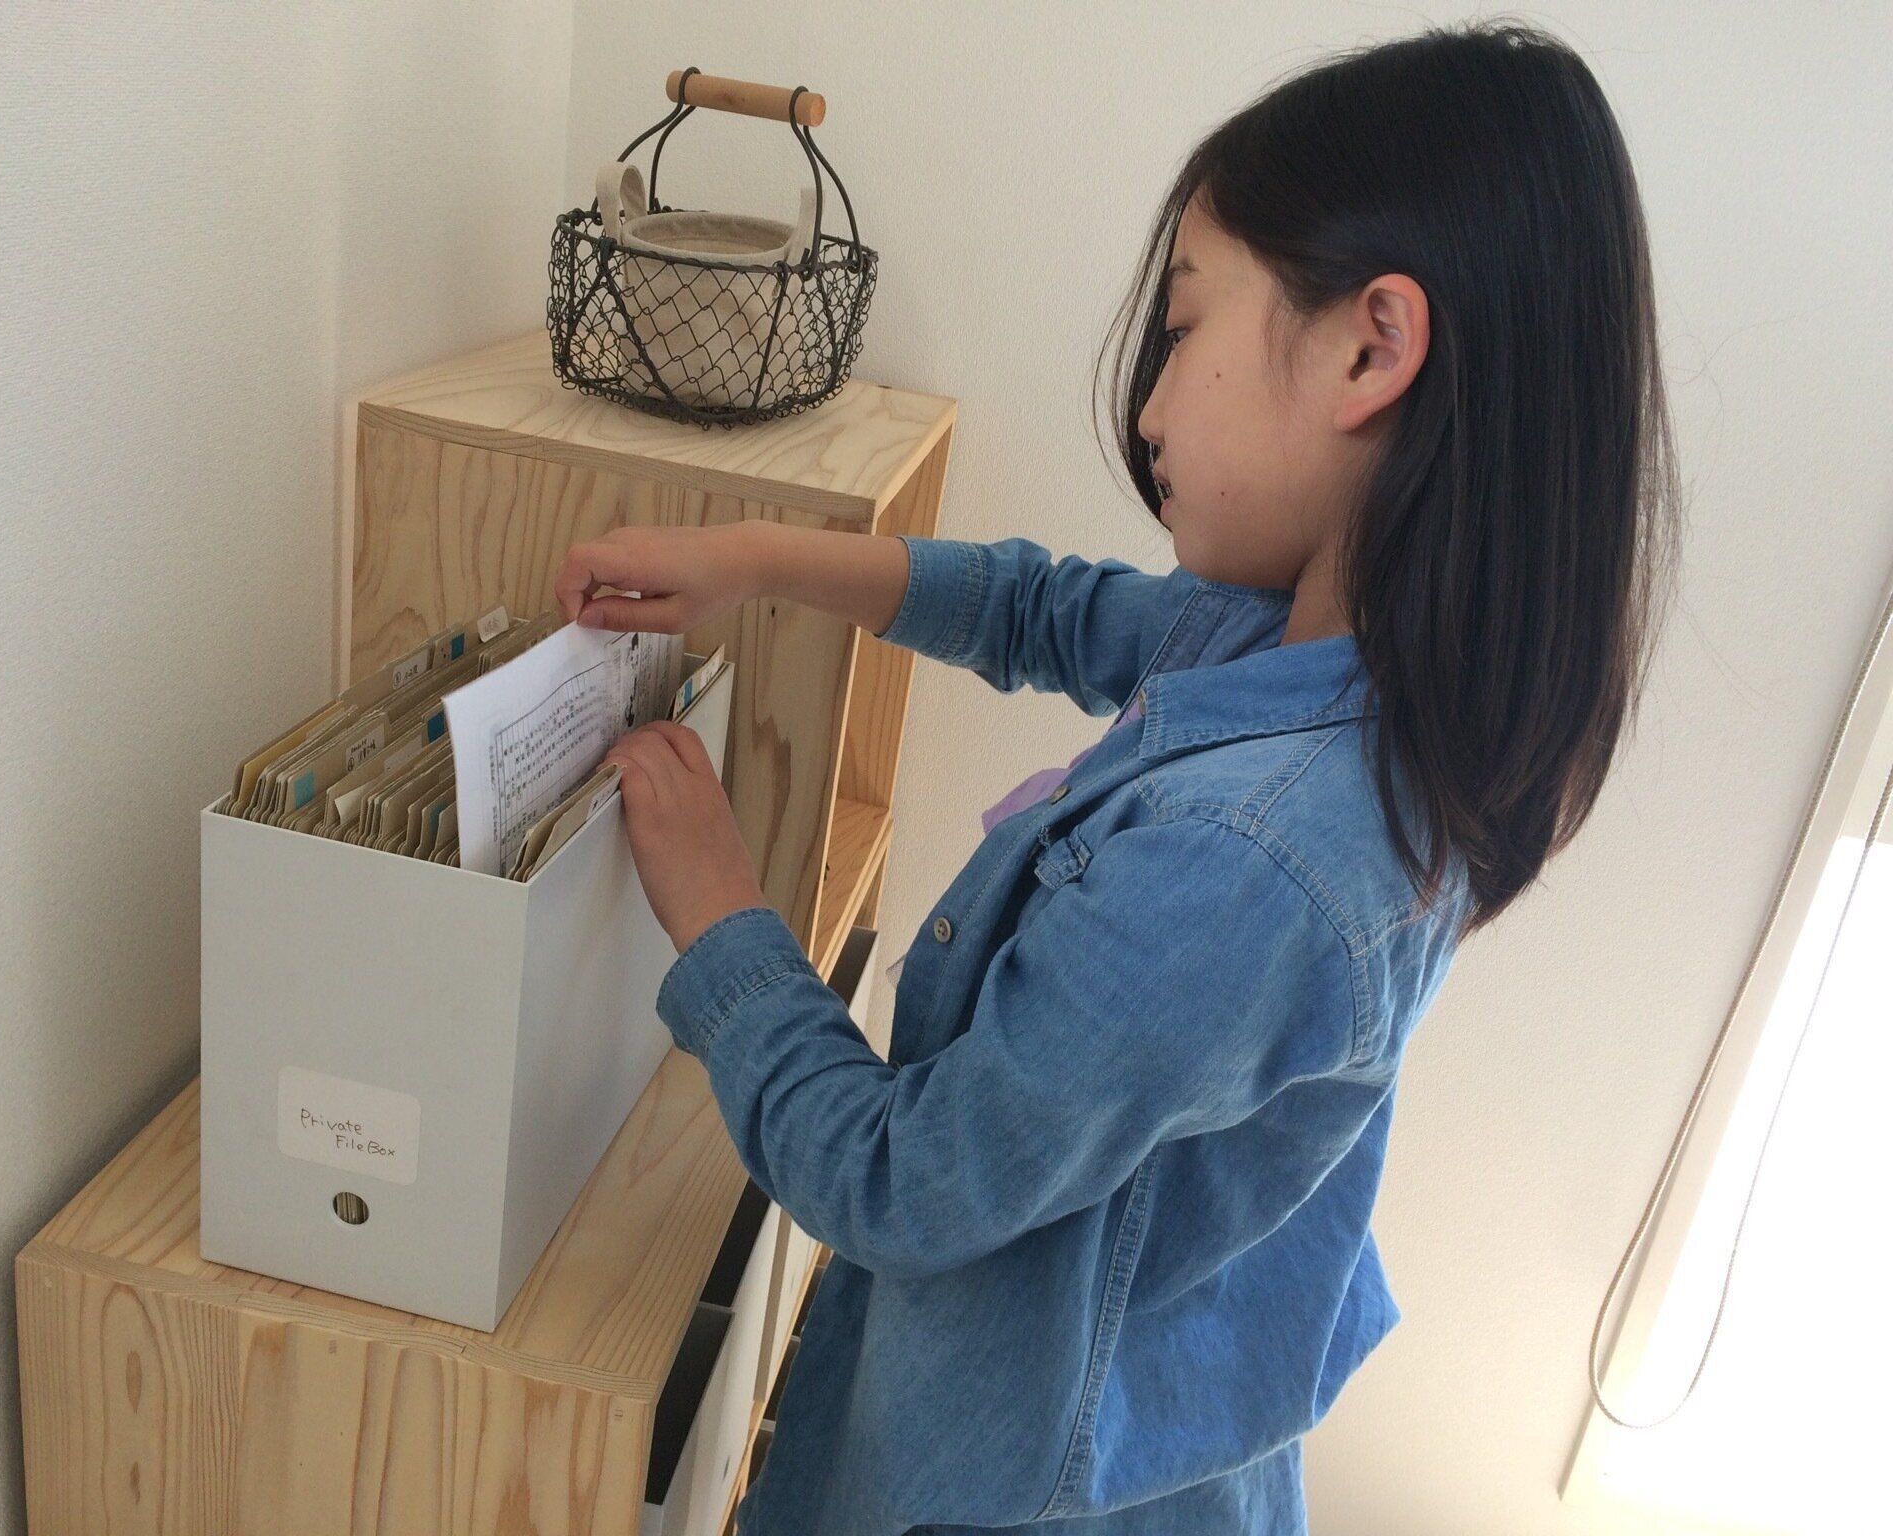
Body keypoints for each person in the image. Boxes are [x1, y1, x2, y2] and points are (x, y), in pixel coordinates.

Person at [555, 18, 1681, 1535]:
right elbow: (1045, 610)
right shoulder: (1309, 663)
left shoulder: (1254, 862)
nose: (1148, 406)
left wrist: (719, 908)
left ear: (1372, 349)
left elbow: (897, 1181)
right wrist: (754, 557)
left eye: (1186, 323)